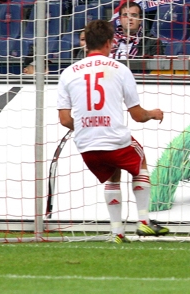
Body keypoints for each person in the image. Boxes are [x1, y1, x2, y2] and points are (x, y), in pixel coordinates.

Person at [56, 19, 169, 243]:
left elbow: (64, 119)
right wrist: (153, 113)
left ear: (86, 43)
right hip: (115, 139)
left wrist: (87, 126)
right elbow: (137, 115)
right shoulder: (119, 69)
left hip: (87, 145)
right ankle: (144, 222)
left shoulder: (68, 73)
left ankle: (117, 231)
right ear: (110, 43)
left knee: (112, 175)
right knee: (140, 161)